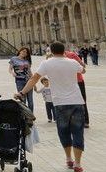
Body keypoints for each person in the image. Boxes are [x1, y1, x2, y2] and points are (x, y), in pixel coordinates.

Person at [16, 41, 86, 172]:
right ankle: (78, 164)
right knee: (78, 132)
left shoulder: (47, 63)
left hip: (60, 103)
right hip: (77, 101)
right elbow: (83, 69)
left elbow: (34, 79)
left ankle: (68, 159)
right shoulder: (72, 62)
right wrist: (77, 60)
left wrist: (22, 92)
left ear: (51, 51)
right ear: (64, 50)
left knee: (63, 132)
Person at [64, 49, 89, 128]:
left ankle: (76, 121)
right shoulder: (71, 55)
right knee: (82, 101)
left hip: (69, 82)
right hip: (78, 81)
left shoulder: (55, 58)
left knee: (70, 102)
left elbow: (83, 66)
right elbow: (83, 66)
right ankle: (85, 121)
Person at [9, 47, 34, 111]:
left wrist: (34, 83)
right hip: (19, 81)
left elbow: (30, 72)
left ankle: (30, 116)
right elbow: (10, 69)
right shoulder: (13, 59)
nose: (24, 53)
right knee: (23, 100)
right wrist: (12, 73)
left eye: (26, 52)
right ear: (20, 51)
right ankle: (24, 116)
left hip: (28, 81)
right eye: (23, 51)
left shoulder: (27, 61)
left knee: (30, 100)